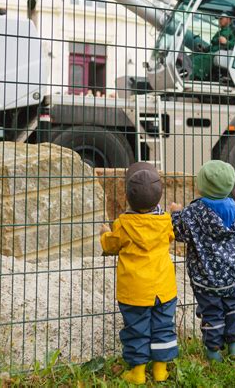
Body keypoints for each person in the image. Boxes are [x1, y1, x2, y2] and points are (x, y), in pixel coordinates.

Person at [100, 162, 178, 385]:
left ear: (127, 197)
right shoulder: (164, 222)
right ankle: (161, 370)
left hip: (134, 291)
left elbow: (110, 246)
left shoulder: (123, 224)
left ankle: (137, 372)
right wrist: (172, 213)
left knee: (137, 330)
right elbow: (170, 236)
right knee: (163, 327)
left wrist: (105, 233)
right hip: (164, 289)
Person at [169, 160, 235, 363]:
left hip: (205, 279)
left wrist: (176, 213)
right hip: (233, 275)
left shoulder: (193, 213)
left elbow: (178, 231)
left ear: (201, 186)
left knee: (212, 312)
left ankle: (214, 353)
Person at [191, 13, 235, 81]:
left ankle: (195, 77)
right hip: (213, 53)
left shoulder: (233, 31)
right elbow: (214, 46)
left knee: (198, 59)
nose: (219, 20)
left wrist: (226, 42)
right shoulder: (220, 31)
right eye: (219, 19)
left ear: (228, 19)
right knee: (193, 56)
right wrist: (204, 49)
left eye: (221, 18)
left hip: (219, 55)